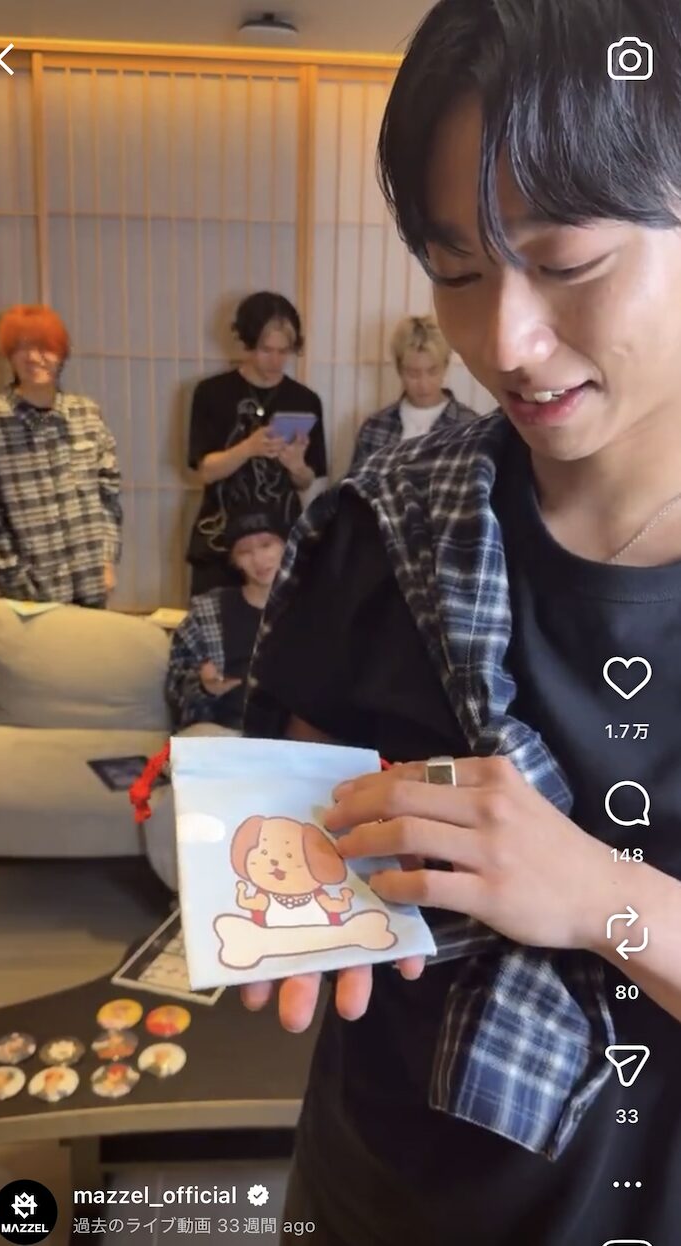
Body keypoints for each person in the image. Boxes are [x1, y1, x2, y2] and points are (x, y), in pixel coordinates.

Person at [242, 2, 681, 1244]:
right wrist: (292, 877)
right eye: (455, 272)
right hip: (375, 1189)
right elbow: (285, 796)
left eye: (566, 260)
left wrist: (596, 894)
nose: (504, 341)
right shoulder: (379, 523)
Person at [0, 304, 122, 606]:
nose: (34, 358)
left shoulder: (87, 414)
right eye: (22, 348)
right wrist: (15, 583)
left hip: (90, 585)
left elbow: (108, 494)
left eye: (45, 348)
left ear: (62, 354)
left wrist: (107, 561)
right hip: (26, 598)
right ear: (9, 355)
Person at [186, 292, 327, 596]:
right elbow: (205, 471)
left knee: (284, 623)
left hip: (281, 543)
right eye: (266, 350)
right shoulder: (211, 393)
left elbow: (308, 481)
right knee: (213, 621)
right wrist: (248, 448)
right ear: (247, 342)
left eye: (284, 351)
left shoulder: (305, 401)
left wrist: (296, 466)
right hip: (220, 540)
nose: (276, 360)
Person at [167, 510, 287, 732]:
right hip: (225, 732)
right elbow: (176, 688)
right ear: (234, 560)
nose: (259, 559)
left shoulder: (316, 605)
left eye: (266, 545)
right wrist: (205, 688)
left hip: (299, 736)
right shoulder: (207, 612)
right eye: (245, 551)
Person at [349, 314, 475, 470]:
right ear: (399, 369)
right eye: (413, 374)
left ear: (445, 366)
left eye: (432, 371)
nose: (423, 384)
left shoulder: (470, 427)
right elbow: (356, 484)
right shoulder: (375, 427)